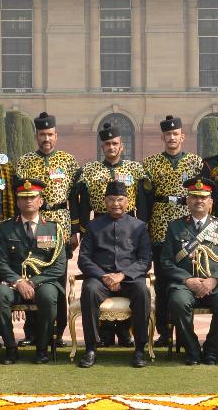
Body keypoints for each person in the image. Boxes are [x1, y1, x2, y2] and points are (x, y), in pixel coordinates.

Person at [72, 120, 150, 348]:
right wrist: (81, 228)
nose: (111, 147)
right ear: (102, 146)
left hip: (130, 226)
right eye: (107, 144)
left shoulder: (135, 169)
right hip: (99, 224)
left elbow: (143, 201)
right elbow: (81, 202)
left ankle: (128, 335)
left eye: (115, 143)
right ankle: (101, 337)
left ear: (121, 145)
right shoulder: (89, 170)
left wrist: (141, 225)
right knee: (95, 283)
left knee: (136, 285)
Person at [14, 111, 80, 346]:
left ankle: (57, 331)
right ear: (36, 136)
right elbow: (18, 196)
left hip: (60, 223)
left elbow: (75, 198)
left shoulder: (68, 161)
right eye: (42, 134)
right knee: (30, 273)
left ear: (56, 135)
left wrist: (75, 230)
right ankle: (32, 331)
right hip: (32, 223)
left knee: (56, 278)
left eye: (50, 134)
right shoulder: (25, 161)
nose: (46, 139)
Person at [0, 178, 68, 364]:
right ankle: (10, 348)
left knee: (48, 296)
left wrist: (32, 282)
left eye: (33, 197)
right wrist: (18, 282)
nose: (28, 201)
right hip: (13, 283)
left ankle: (42, 348)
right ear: (17, 202)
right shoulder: (7, 228)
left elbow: (59, 266)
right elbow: (0, 262)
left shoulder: (54, 228)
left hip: (43, 282)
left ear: (41, 201)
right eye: (23, 198)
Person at [161, 177, 218, 366]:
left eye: (203, 197)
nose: (199, 201)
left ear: (211, 202)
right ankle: (192, 349)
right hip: (185, 284)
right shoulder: (175, 226)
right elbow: (166, 261)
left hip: (216, 284)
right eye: (194, 197)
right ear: (187, 201)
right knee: (178, 302)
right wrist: (187, 280)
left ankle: (212, 349)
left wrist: (213, 280)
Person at [76, 180, 153, 369]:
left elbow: (145, 260)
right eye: (111, 199)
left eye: (120, 199)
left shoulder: (139, 226)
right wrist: (104, 276)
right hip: (100, 279)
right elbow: (83, 259)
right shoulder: (93, 226)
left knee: (143, 291)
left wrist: (122, 275)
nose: (115, 204)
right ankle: (91, 348)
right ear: (105, 201)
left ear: (128, 202)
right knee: (89, 290)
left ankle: (139, 349)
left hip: (129, 279)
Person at [142, 114, 204, 344]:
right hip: (161, 223)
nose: (171, 138)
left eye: (175, 134)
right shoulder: (151, 163)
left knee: (189, 276)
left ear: (182, 136)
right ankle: (164, 331)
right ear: (163, 137)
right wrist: (144, 227)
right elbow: (145, 199)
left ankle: (185, 330)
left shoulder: (195, 162)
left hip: (188, 226)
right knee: (163, 279)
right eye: (168, 134)